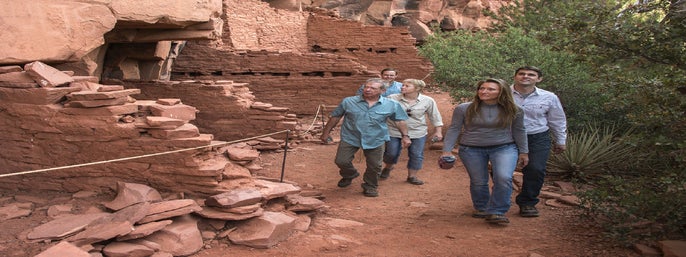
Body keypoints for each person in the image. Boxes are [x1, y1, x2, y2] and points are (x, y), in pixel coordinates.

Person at [441, 78, 529, 224]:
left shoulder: (515, 109)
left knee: (503, 177)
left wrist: (524, 152)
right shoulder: (464, 108)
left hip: (504, 147)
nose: (484, 91)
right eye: (482, 88)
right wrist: (446, 150)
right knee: (479, 181)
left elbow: (519, 130)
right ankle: (481, 206)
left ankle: (498, 211)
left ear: (502, 92)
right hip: (471, 148)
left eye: (490, 89)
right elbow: (454, 128)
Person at [321, 78, 411, 197]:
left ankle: (370, 185)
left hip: (376, 138)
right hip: (351, 136)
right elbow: (336, 117)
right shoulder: (348, 102)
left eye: (372, 88)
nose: (367, 90)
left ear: (382, 91)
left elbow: (400, 121)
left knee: (375, 166)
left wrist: (405, 136)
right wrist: (325, 133)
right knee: (341, 161)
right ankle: (349, 174)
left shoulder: (391, 104)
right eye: (366, 87)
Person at [511, 66, 567, 218]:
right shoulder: (504, 94)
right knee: (501, 169)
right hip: (508, 137)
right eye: (521, 74)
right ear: (515, 76)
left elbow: (557, 119)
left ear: (539, 78)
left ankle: (528, 203)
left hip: (537, 137)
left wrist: (560, 140)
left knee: (535, 169)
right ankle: (500, 199)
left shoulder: (549, 97)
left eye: (531, 74)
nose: (525, 76)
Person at [381, 79, 443, 185]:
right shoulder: (392, 98)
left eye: (407, 86)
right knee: (391, 152)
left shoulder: (428, 100)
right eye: (403, 85)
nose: (402, 87)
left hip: (417, 131)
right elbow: (381, 112)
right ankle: (388, 167)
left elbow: (435, 116)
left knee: (416, 154)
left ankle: (412, 176)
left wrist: (438, 131)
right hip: (394, 130)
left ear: (417, 88)